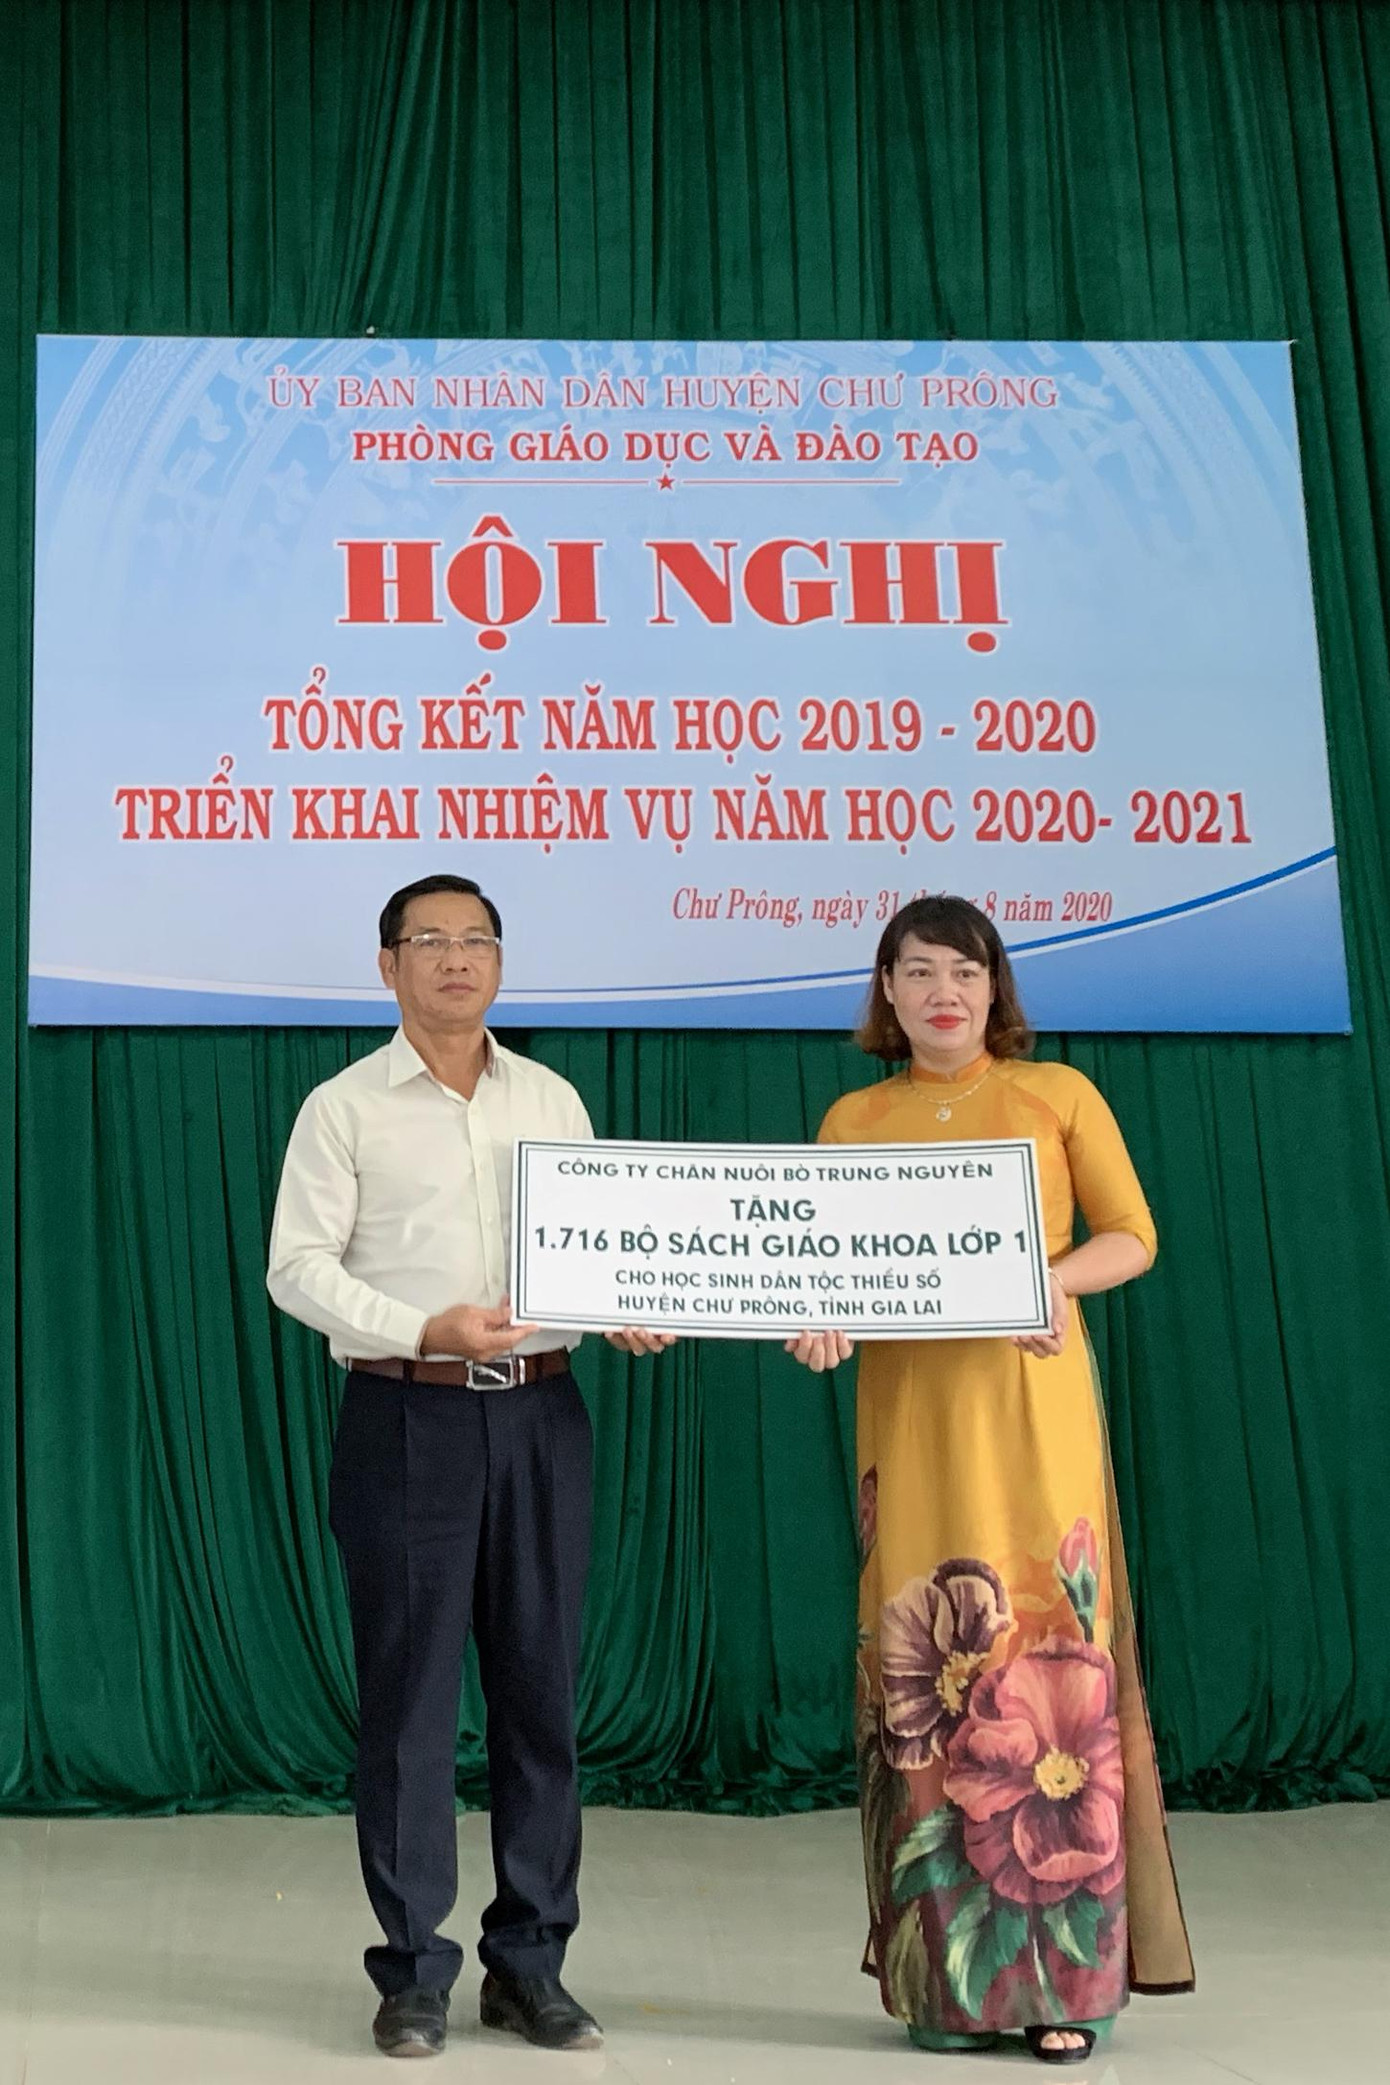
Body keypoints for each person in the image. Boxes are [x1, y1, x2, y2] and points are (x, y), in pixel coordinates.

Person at [267, 873, 670, 2060]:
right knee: (409, 1705)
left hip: (543, 1416)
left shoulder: (550, 1097)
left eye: (477, 940)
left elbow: (592, 1253)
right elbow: (296, 1268)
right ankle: (412, 1975)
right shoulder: (342, 1108)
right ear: (387, 965)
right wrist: (421, 1328)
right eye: (430, 940)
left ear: (500, 962)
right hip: (407, 1418)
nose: (456, 959)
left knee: (541, 1694)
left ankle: (530, 1965)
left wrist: (627, 1303)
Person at [788, 896, 1194, 2066]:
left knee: (1046, 1658)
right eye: (916, 971)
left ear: (994, 987)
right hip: (909, 1420)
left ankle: (1067, 1988)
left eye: (962, 971)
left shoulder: (1056, 1095)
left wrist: (1051, 1280)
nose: (941, 992)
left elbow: (1133, 1235)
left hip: (1031, 1412)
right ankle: (946, 1991)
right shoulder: (853, 1121)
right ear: (886, 991)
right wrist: (818, 1320)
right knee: (924, 1670)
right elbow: (829, 1276)